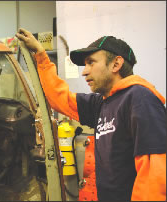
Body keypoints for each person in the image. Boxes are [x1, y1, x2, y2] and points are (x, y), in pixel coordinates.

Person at [16, 28, 166, 201]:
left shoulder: (140, 99)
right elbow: (58, 98)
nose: (84, 71)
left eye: (91, 62)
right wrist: (41, 55)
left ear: (116, 64)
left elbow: (154, 175)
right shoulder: (102, 102)